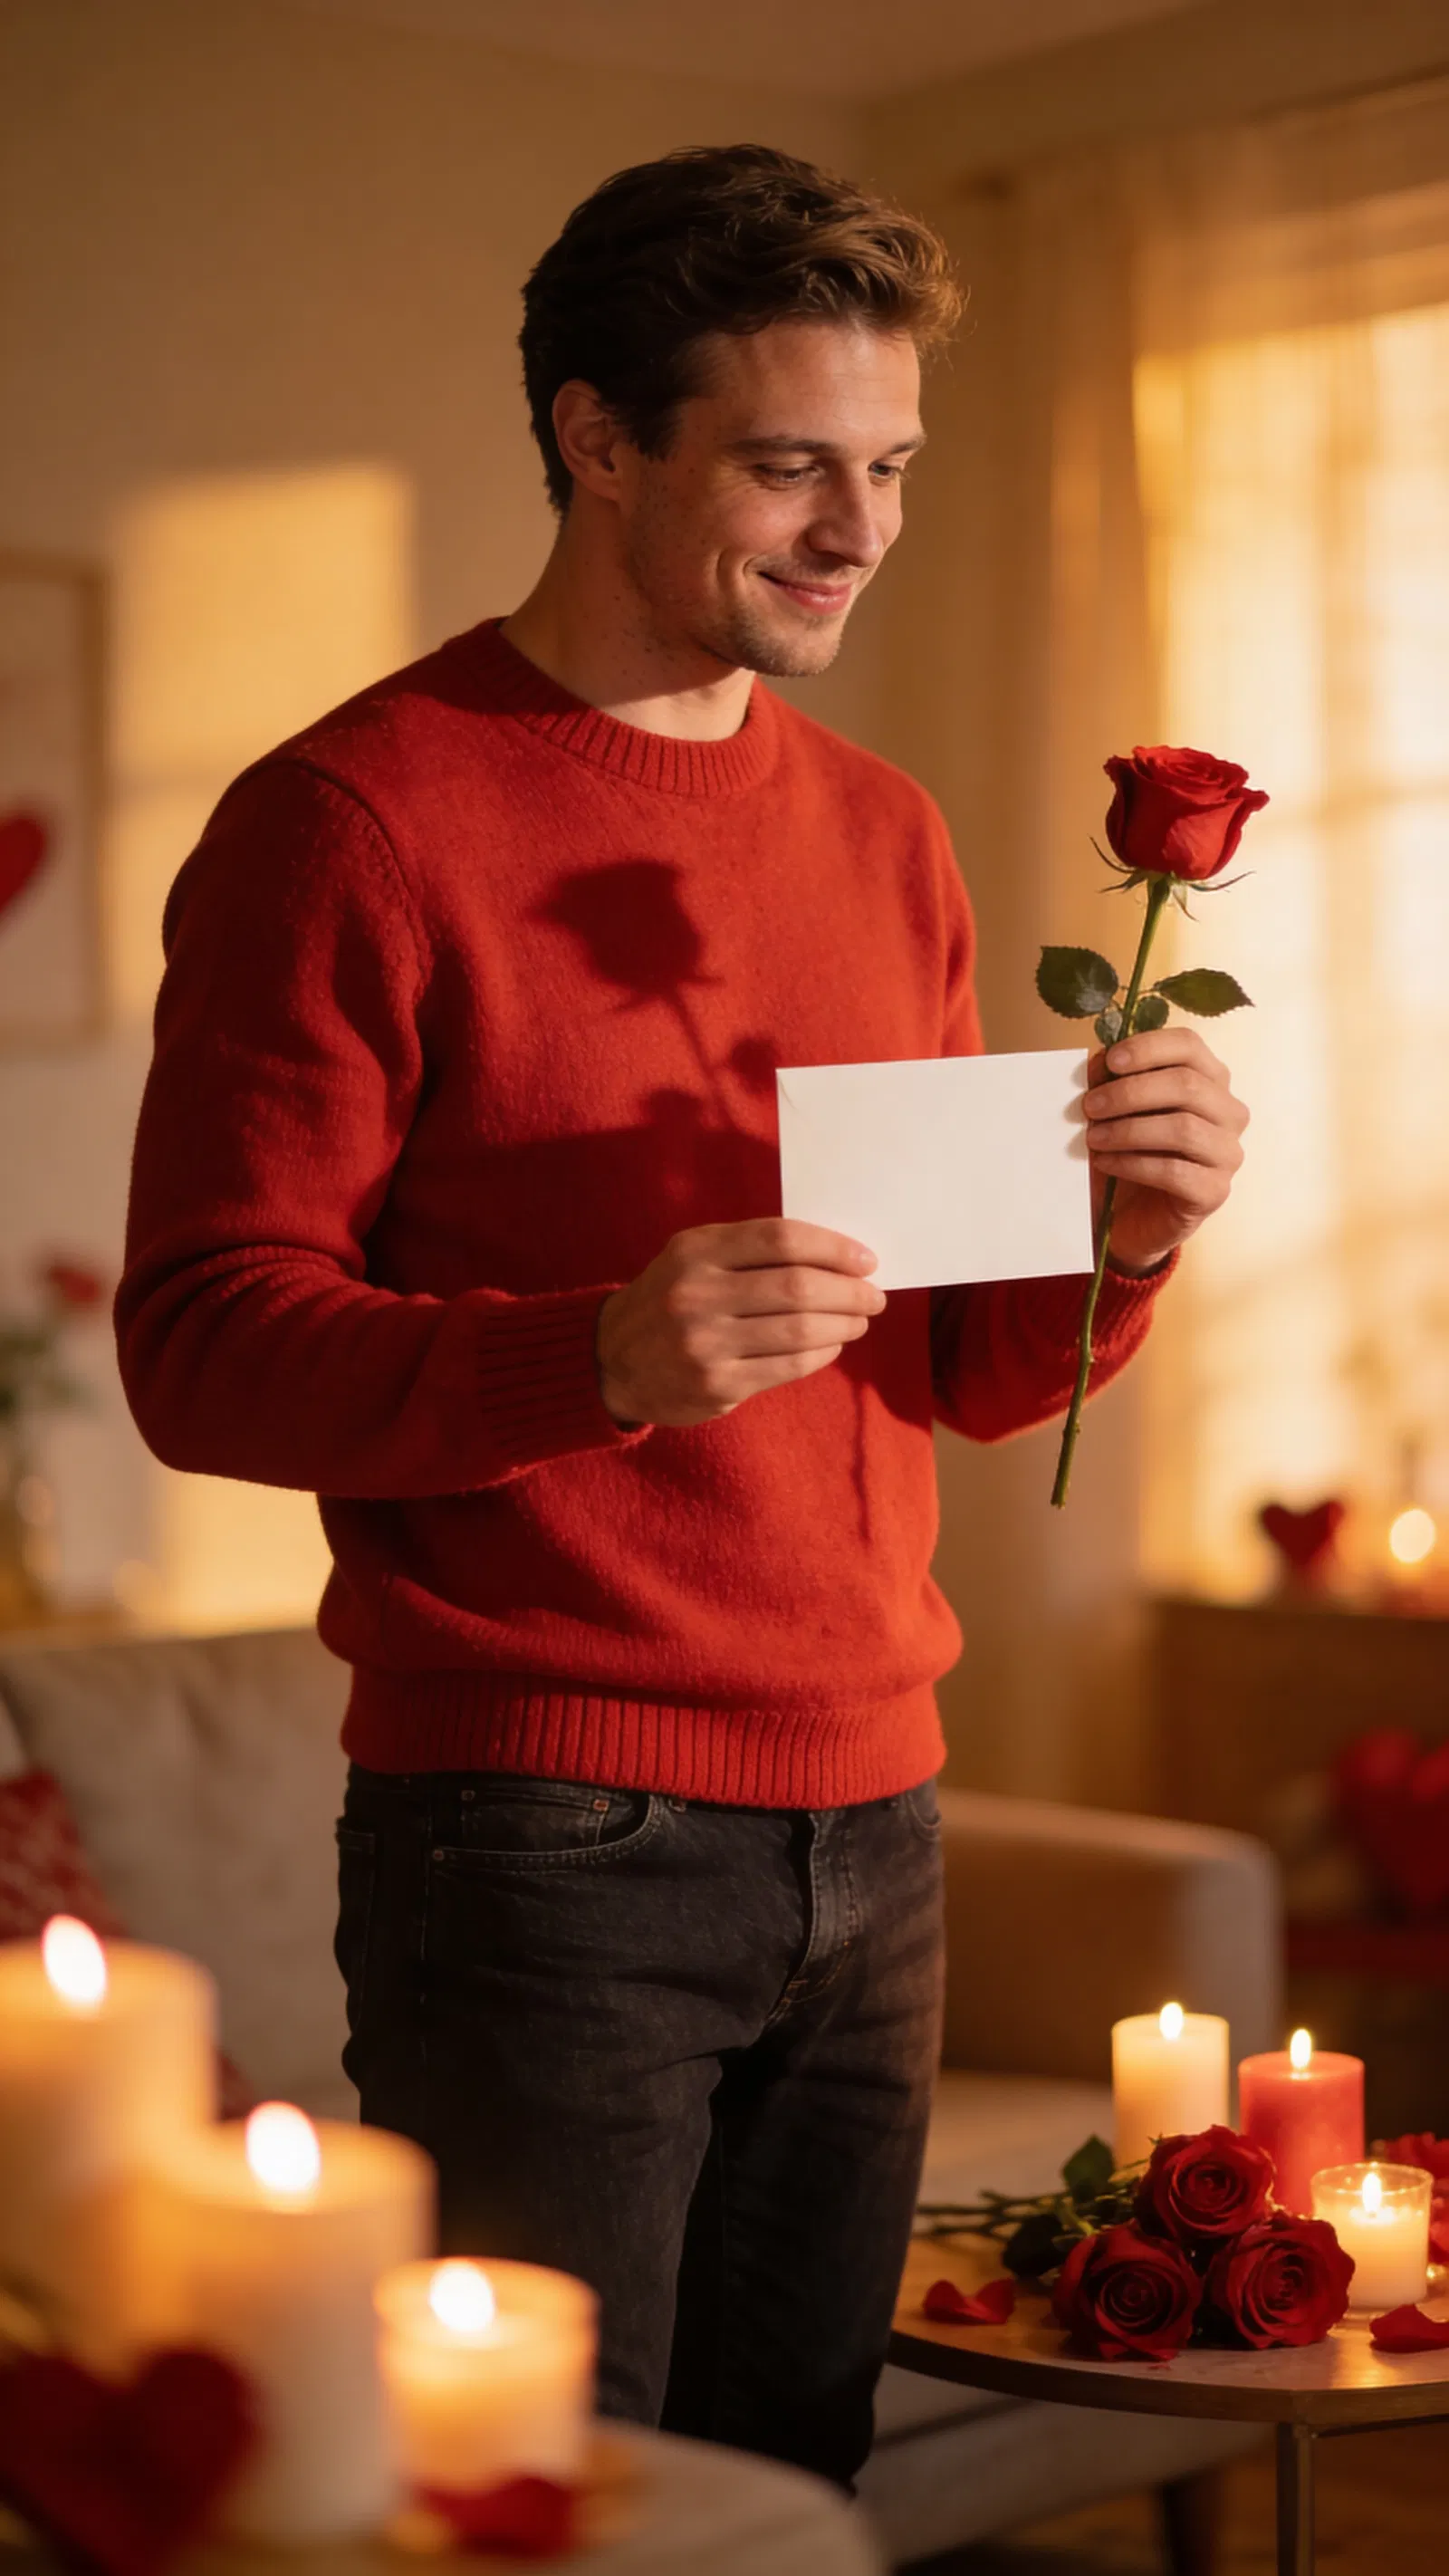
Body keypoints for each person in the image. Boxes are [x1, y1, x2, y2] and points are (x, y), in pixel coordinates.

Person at [118, 145, 1248, 2485]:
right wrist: (593, 1358)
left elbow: (945, 1368)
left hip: (883, 1804)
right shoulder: (352, 821)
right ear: (594, 437)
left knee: (783, 2500)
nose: (858, 529)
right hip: (542, 1834)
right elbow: (202, 1342)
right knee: (549, 2509)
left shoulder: (886, 833)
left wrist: (1122, 1247)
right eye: (792, 465)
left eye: (894, 470)